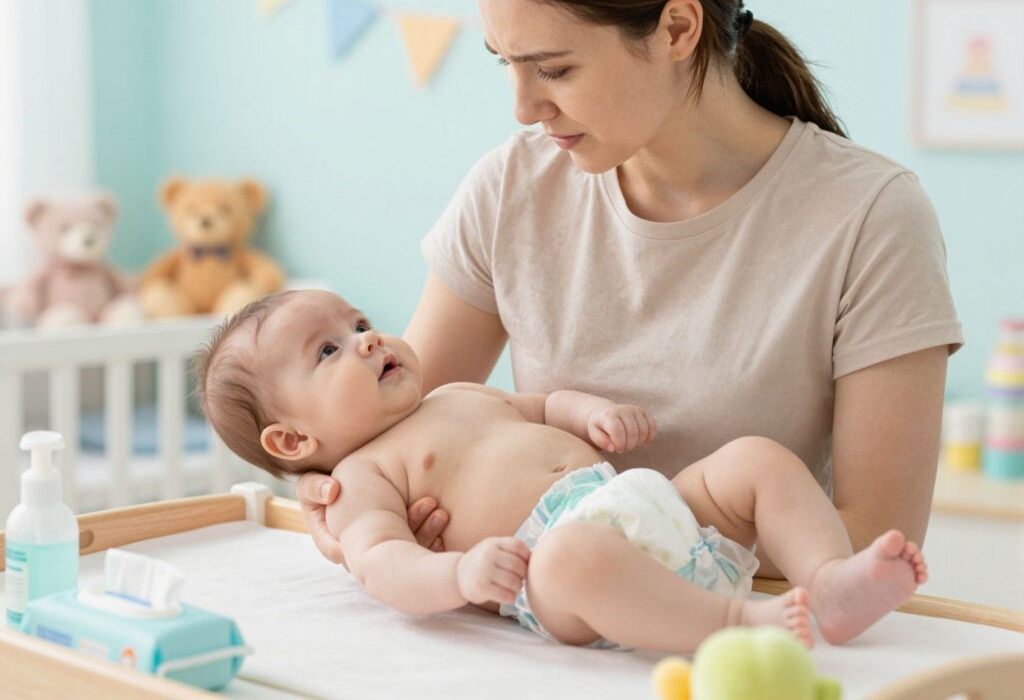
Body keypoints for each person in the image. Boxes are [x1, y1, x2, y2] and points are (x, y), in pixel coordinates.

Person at [299, 0, 962, 581]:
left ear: (677, 29)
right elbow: (391, 424)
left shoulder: (871, 216)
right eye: (505, 62)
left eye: (554, 69)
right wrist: (338, 501)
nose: (525, 107)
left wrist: (656, 588)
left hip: (756, 633)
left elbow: (878, 540)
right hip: (545, 627)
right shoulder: (510, 190)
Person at [195, 289, 928, 651]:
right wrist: (457, 575)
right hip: (558, 571)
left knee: (756, 459)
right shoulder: (359, 480)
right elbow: (382, 561)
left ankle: (829, 580)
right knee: (579, 556)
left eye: (357, 325)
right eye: (326, 352)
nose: (365, 341)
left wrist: (588, 415)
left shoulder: (454, 394)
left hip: (648, 506)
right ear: (291, 442)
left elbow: (538, 403)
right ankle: (737, 623)